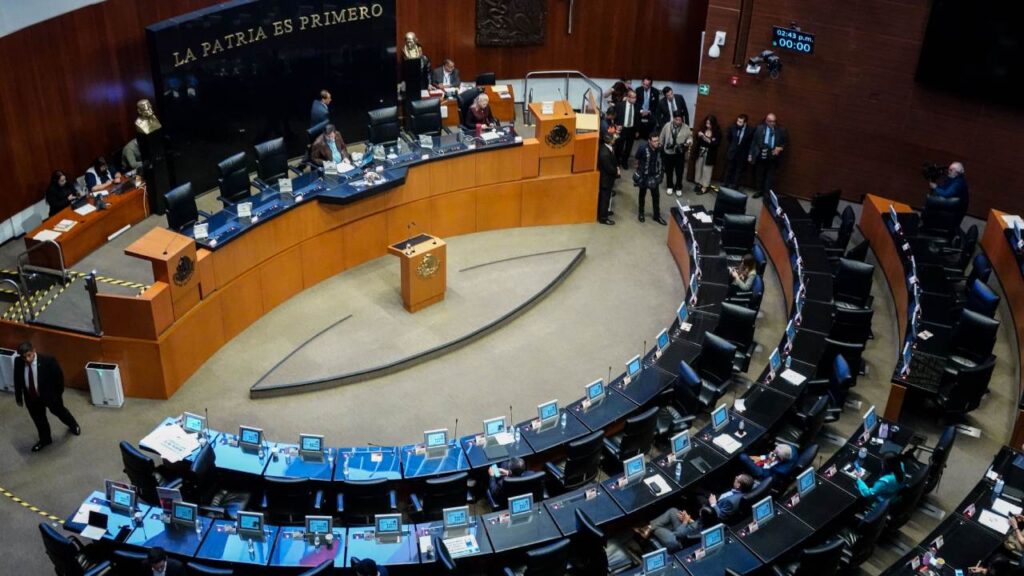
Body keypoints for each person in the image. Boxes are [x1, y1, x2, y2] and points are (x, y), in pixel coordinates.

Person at [14, 342, 80, 452]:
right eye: (24, 357)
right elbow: (17, 379)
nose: (27, 359)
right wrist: (19, 397)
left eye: (29, 355)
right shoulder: (18, 362)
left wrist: (58, 395)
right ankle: (45, 439)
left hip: (50, 396)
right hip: (32, 398)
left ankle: (73, 425)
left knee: (60, 412)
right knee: (39, 420)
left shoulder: (48, 361)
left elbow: (59, 378)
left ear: (34, 350)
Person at [635, 506, 715, 552]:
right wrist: (689, 520)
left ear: (701, 515)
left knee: (657, 527)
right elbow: (695, 527)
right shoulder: (710, 522)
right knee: (673, 511)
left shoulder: (695, 526)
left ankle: (649, 528)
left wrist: (685, 521)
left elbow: (678, 534)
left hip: (676, 542)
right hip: (686, 533)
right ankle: (648, 528)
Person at [748, 113, 788, 198]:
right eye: (770, 121)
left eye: (774, 121)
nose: (772, 123)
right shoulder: (759, 128)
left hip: (772, 156)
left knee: (770, 176)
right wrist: (751, 154)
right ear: (766, 121)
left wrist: (779, 148)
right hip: (761, 154)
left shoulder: (780, 130)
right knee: (759, 174)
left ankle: (766, 193)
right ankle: (759, 191)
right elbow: (754, 142)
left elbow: (784, 143)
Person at [634, 134, 666, 225]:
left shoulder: (659, 149)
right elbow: (637, 159)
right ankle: (641, 213)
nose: (657, 143)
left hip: (654, 176)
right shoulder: (642, 148)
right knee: (642, 195)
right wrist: (638, 172)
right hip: (644, 176)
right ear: (649, 141)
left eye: (657, 140)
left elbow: (661, 160)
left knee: (656, 197)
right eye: (654, 141)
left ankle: (657, 216)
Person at [659, 111, 692, 197]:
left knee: (679, 172)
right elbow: (661, 136)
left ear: (682, 120)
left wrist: (688, 142)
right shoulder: (667, 125)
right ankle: (669, 186)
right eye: (676, 119)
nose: (678, 121)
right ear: (673, 118)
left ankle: (678, 187)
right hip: (668, 153)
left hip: (679, 154)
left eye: (680, 120)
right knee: (669, 171)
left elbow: (690, 137)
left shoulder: (686, 127)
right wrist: (660, 146)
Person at [693, 114, 721, 195]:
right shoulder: (703, 129)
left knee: (707, 170)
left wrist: (704, 137)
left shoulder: (717, 132)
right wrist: (698, 135)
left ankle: (705, 186)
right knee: (698, 167)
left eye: (709, 124)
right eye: (707, 123)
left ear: (713, 124)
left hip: (710, 154)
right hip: (701, 151)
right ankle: (699, 183)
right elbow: (697, 138)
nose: (707, 125)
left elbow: (714, 143)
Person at [724, 114, 753, 189]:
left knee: (739, 170)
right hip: (732, 151)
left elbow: (750, 143)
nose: (738, 123)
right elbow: (729, 138)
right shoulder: (733, 127)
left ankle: (735, 186)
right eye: (738, 121)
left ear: (745, 123)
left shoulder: (749, 130)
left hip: (742, 153)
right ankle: (726, 184)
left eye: (740, 122)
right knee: (729, 168)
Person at [613, 90, 639, 168]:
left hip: (631, 130)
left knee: (628, 148)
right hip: (621, 130)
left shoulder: (637, 106)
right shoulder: (620, 105)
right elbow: (615, 117)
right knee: (619, 147)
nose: (634, 99)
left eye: (635, 97)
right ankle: (617, 162)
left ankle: (625, 162)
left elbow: (637, 119)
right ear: (628, 97)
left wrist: (637, 130)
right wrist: (616, 126)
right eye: (633, 97)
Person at [597, 132, 618, 225]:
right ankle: (603, 217)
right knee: (604, 199)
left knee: (607, 197)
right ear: (610, 141)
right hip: (606, 179)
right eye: (613, 138)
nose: (615, 139)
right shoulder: (604, 154)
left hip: (608, 178)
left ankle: (605, 211)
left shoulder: (606, 147)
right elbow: (609, 168)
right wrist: (616, 171)